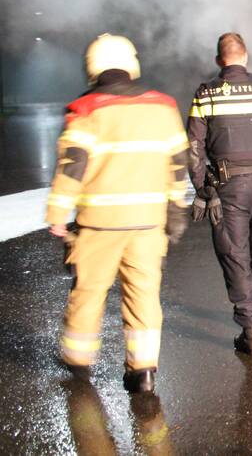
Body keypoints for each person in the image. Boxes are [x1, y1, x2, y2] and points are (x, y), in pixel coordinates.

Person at [47, 34, 189, 395]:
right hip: (148, 222)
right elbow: (177, 164)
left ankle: (79, 363)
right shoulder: (163, 107)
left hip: (99, 225)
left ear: (92, 67)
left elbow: (71, 167)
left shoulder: (86, 110)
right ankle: (142, 371)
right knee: (143, 295)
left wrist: (58, 212)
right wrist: (175, 208)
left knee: (90, 291)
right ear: (131, 63)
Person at [187, 32, 252, 356]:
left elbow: (193, 148)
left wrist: (203, 187)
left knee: (234, 254)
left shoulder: (206, 95)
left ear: (220, 60)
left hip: (228, 187)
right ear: (245, 56)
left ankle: (251, 328)